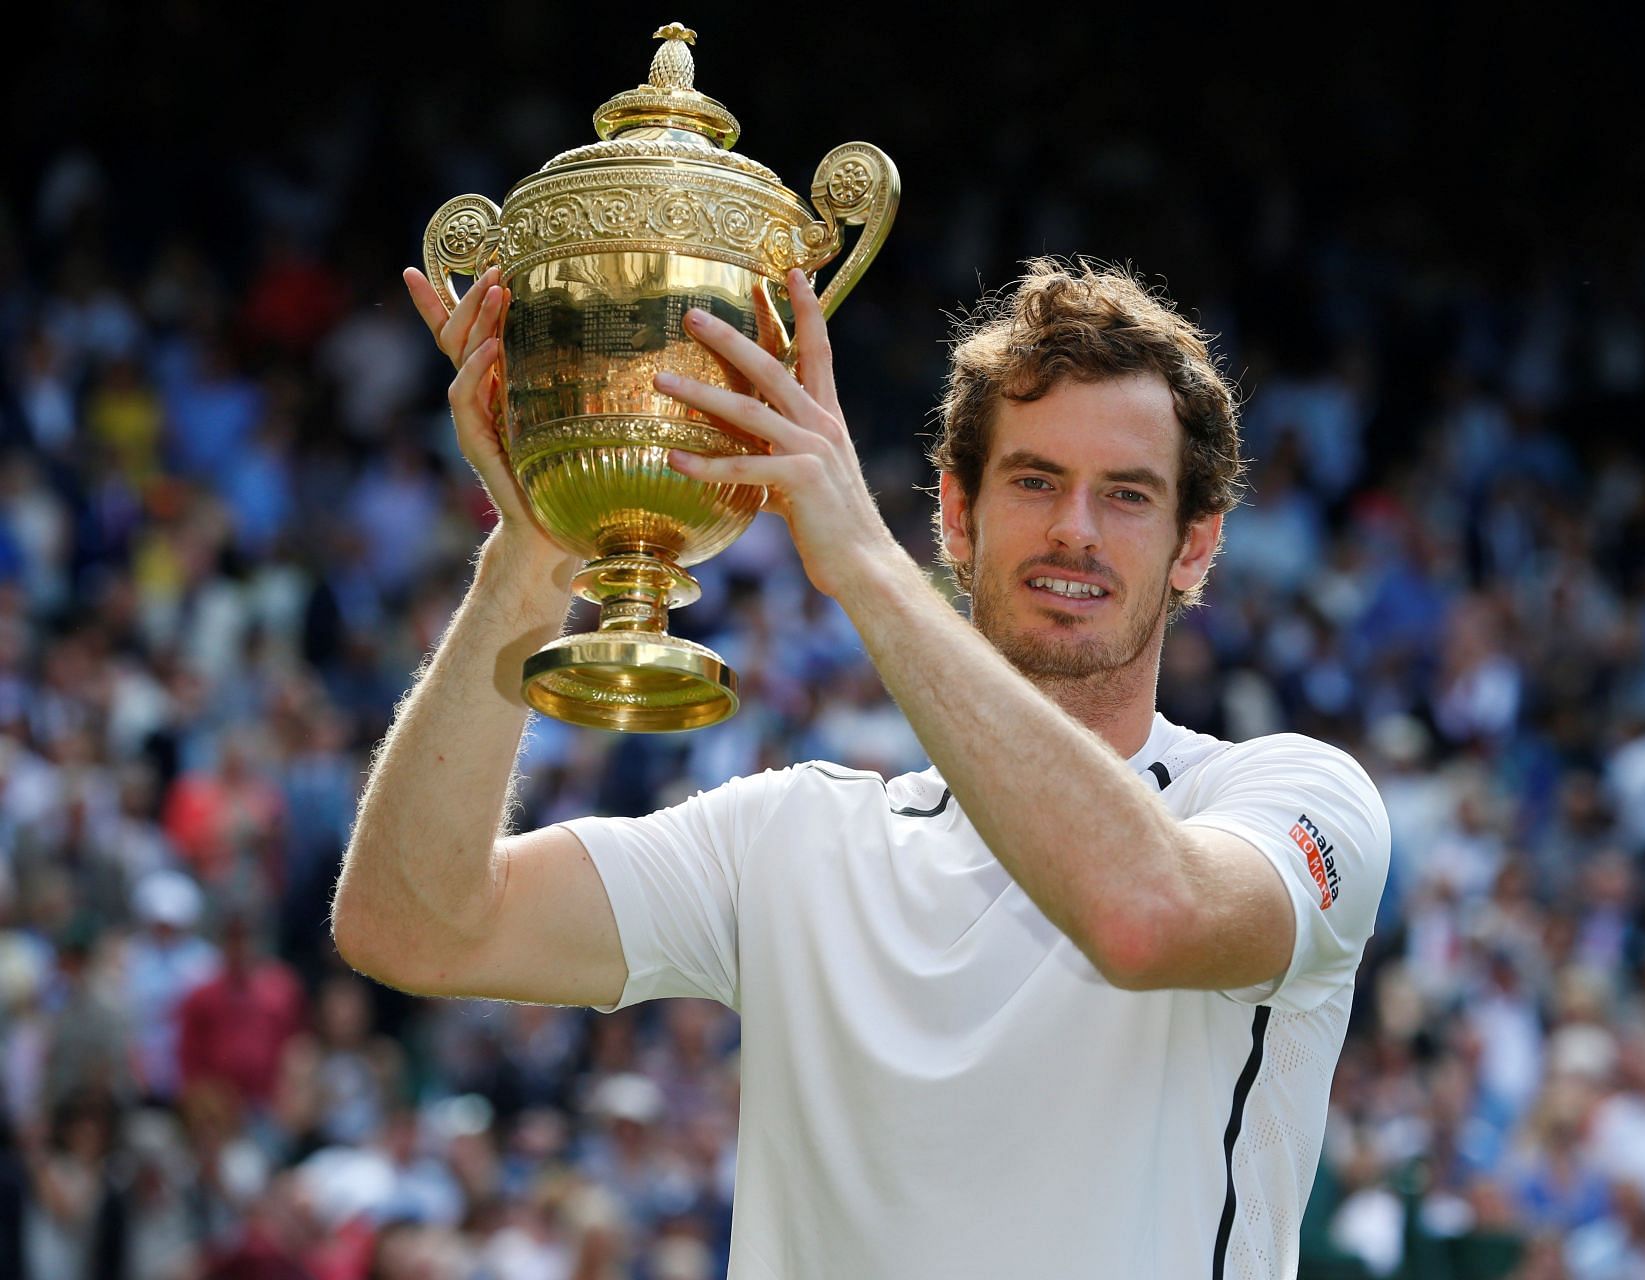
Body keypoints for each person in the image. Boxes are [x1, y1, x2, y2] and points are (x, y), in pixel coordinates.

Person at [334, 256, 1389, 1279]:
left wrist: (865, 562)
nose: (1076, 530)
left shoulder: (1294, 798)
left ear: (1194, 548)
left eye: (1125, 495)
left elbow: (1143, 914)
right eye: (1035, 479)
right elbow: (413, 921)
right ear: (960, 516)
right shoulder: (794, 837)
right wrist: (535, 546)